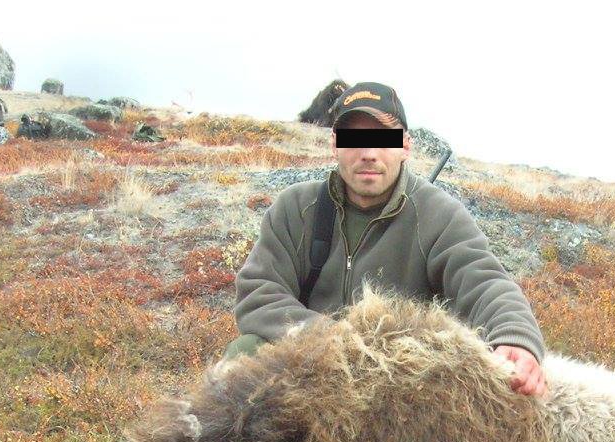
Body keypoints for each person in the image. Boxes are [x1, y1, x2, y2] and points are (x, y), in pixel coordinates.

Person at [226, 81, 547, 397]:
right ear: (335, 144)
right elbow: (260, 293)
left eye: (384, 139)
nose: (369, 153)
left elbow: (484, 282)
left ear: (405, 145)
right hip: (309, 361)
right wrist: (339, 339)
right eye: (355, 140)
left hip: (398, 379)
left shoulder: (439, 215)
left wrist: (515, 337)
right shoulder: (296, 208)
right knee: (246, 352)